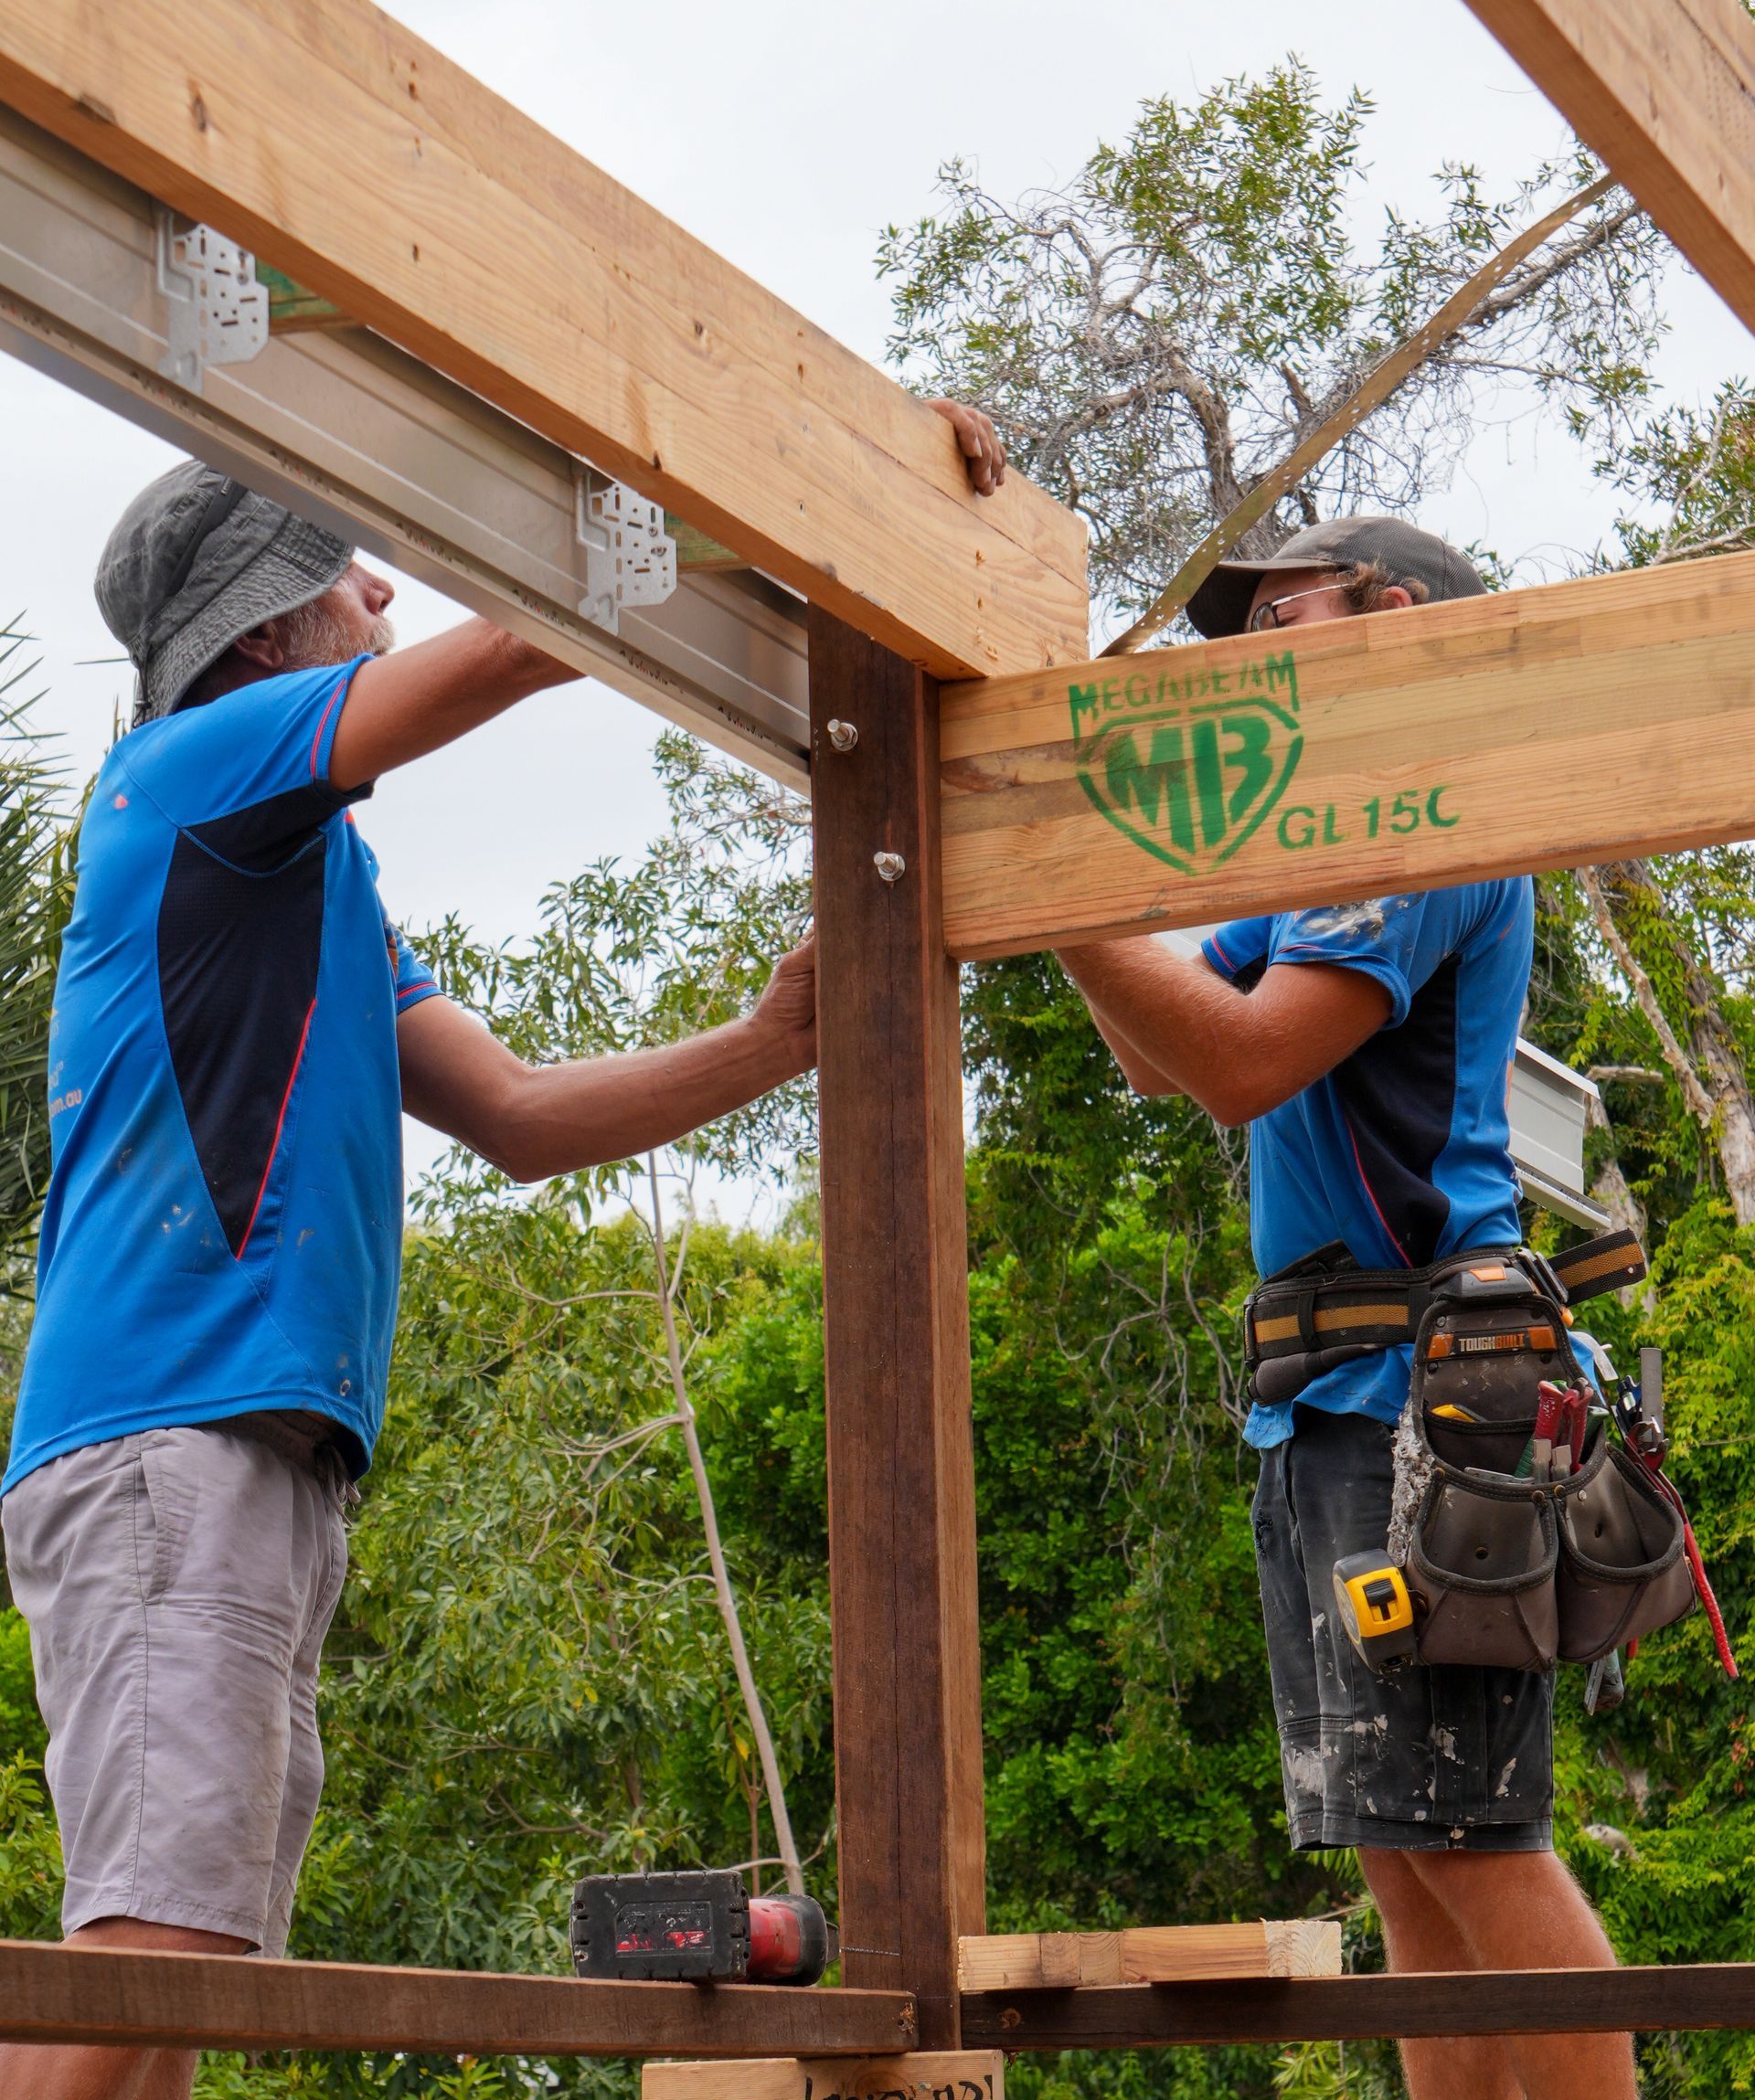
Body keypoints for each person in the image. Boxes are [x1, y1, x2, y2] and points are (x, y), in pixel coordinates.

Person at [0, 398, 1006, 2100]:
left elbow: (524, 1118)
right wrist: (809, 473)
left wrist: (776, 1036)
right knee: (159, 1952)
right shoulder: (186, 774)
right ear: (265, 630)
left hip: (237, 1448)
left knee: (184, 1967)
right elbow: (524, 652)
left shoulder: (305, 868)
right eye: (347, 576)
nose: (382, 594)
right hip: (173, 1435)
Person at [1057, 516, 1634, 2100]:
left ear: (1391, 618)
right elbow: (1156, 1052)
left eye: (1278, 619)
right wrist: (1068, 894)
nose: (1246, 659)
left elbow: (1241, 1062)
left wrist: (1047, 876)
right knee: (1406, 1857)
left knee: (1476, 1839)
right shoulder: (1319, 858)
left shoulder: (1422, 830)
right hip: (1335, 1399)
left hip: (1426, 1402)